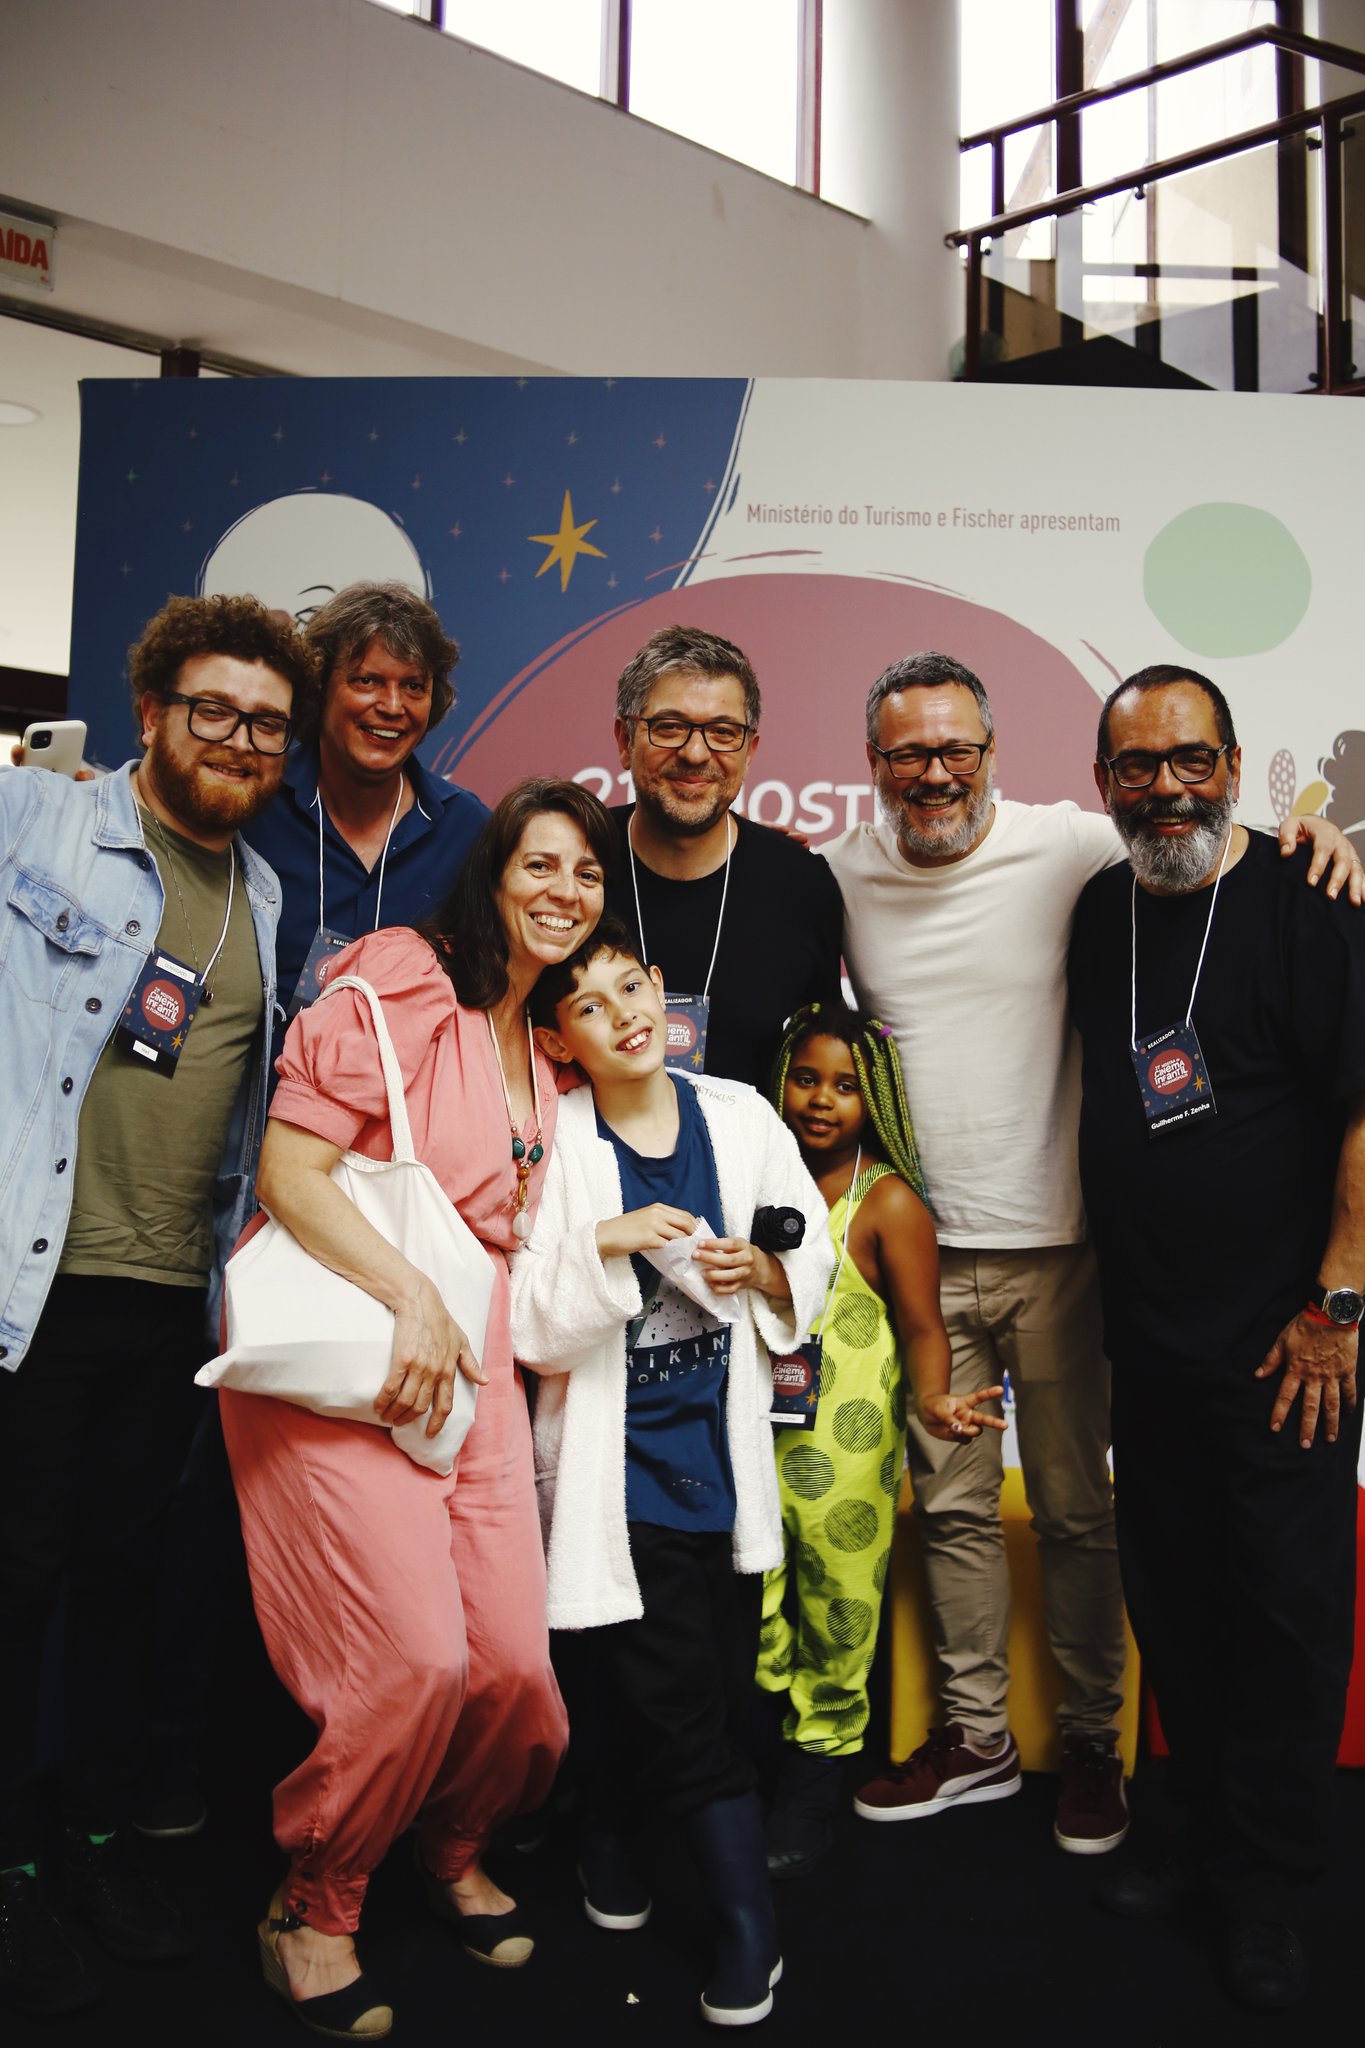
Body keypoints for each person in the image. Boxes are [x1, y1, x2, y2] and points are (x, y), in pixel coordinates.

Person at [827, 650, 1364, 1856]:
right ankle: (1029, 1761)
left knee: (1170, 1554)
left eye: (956, 747)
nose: (934, 771)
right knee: (1029, 1538)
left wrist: (1319, 837)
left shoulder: (1138, 859)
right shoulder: (879, 875)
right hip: (1015, 1282)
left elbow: (1352, 1085)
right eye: (909, 751)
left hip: (1160, 1288)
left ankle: (1175, 1808)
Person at [219, 779, 614, 2041]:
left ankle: (449, 1844)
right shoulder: (408, 974)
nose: (563, 890)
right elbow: (290, 1169)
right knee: (414, 1661)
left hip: (475, 1352)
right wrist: (412, 1298)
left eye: (587, 873)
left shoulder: (546, 1042)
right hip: (357, 1334)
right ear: (492, 873)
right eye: (540, 863)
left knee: (515, 1677)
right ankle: (316, 1901)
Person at [0, 594, 314, 2018]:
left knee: (124, 1590)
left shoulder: (266, 896)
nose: (240, 739)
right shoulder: (42, 819)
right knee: (14, 1588)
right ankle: (10, 1866)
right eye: (214, 709)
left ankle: (96, 1841)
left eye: (266, 724)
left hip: (168, 1306)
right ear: (151, 712)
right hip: (32, 1288)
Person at [1068, 665, 1365, 2012]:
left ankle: (1269, 1887)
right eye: (1137, 766)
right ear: (1103, 782)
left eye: (1191, 759)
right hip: (1149, 1344)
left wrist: (1338, 1305)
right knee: (1177, 1607)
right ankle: (1192, 1837)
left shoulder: (1309, 897)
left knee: (1285, 1622)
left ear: (1235, 766)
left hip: (1286, 1352)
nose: (1166, 786)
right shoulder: (1099, 907)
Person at [510, 916, 833, 2027]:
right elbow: (530, 1320)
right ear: (558, 1040)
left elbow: (811, 1240)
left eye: (630, 986)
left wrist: (768, 1270)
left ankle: (607, 1833)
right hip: (618, 1473)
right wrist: (607, 1239)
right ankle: (751, 1934)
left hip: (721, 1464)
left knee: (689, 1686)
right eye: (589, 1005)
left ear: (662, 990)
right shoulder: (555, 1144)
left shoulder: (737, 1115)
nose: (624, 1014)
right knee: (682, 1705)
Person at [757, 1004, 1005, 1878]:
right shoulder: (753, 1176)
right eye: (806, 1078)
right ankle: (764, 1745)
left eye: (846, 1086)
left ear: (877, 1100)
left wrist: (931, 1401)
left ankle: (816, 1769)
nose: (821, 1100)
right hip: (752, 1438)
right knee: (754, 1602)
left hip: (847, 1456)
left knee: (838, 1608)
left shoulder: (886, 1201)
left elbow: (924, 1326)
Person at [244, 580, 488, 1053]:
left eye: (413, 686)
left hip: (407, 1100)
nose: (392, 707)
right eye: (366, 681)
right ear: (320, 687)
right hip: (259, 1097)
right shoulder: (255, 801)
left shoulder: (470, 831)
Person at [603, 624, 844, 1090]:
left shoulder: (802, 885)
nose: (696, 753)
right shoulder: (572, 868)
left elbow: (821, 1070)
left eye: (722, 732)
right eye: (669, 727)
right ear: (624, 740)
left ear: (749, 751)